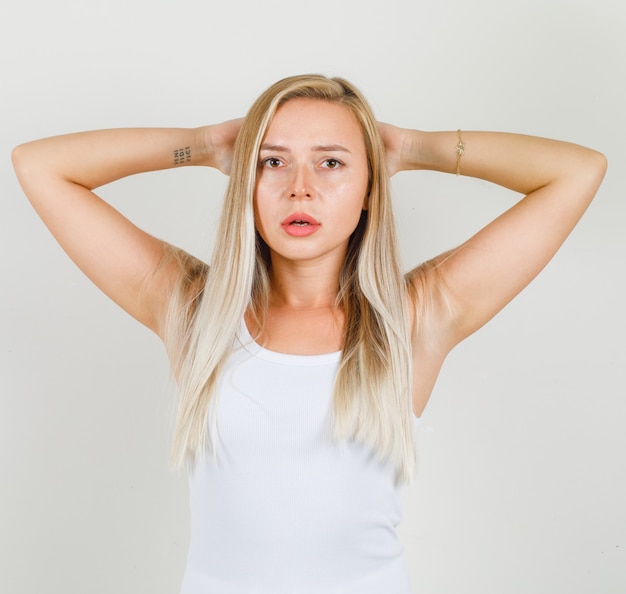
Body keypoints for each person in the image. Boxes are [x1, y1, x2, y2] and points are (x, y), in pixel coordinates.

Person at [11, 74, 606, 593]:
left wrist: (406, 148)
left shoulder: (412, 319)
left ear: (371, 188)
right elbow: (40, 166)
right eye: (272, 161)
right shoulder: (195, 310)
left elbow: (577, 172)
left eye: (332, 162)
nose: (300, 187)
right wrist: (211, 144)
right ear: (246, 179)